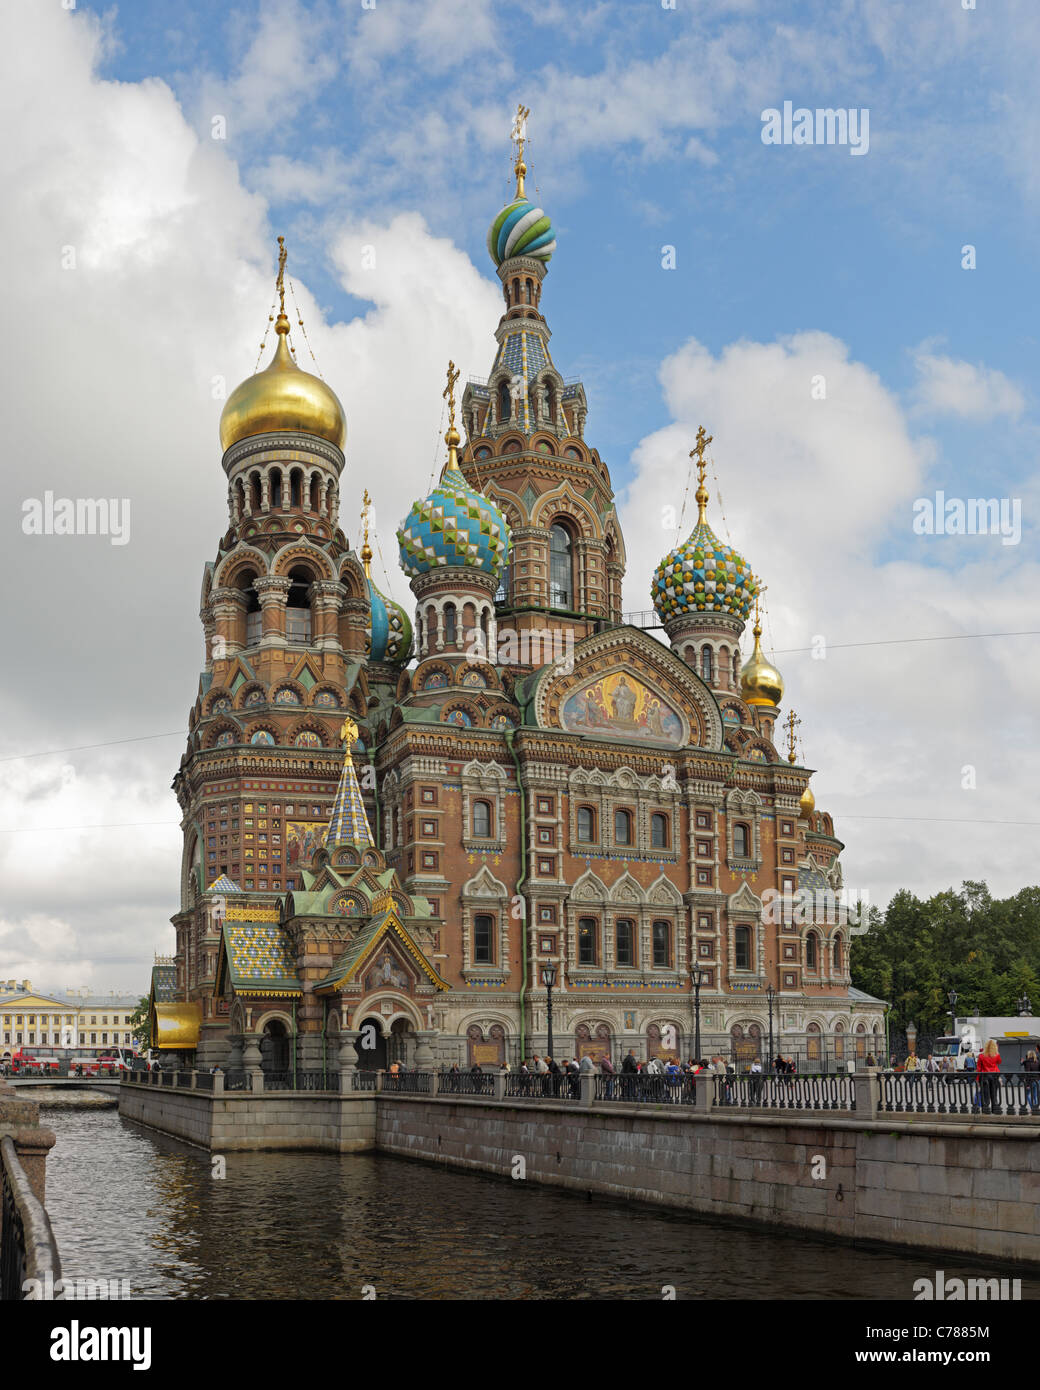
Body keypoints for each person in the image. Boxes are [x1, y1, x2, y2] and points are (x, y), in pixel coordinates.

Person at [976, 1039, 1001, 1113]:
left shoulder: (981, 1056)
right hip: (994, 1076)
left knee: (985, 1094)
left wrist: (977, 1079)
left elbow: (979, 1068)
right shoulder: (997, 1055)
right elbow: (999, 1062)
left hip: (984, 1076)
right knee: (994, 1094)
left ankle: (986, 1109)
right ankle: (995, 1109)